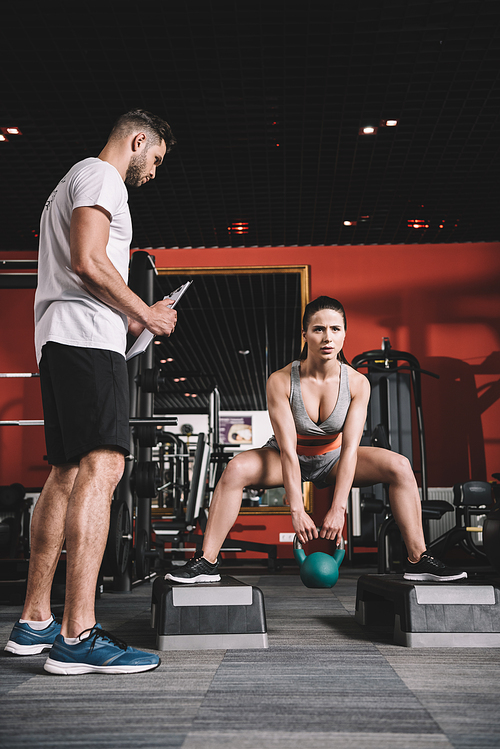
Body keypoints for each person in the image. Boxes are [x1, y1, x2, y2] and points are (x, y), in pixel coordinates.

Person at [5, 110, 178, 674]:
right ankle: (79, 634)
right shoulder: (102, 177)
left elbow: (80, 270)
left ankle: (35, 621)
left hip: (63, 339)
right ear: (137, 140)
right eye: (155, 159)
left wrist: (126, 320)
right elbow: (87, 262)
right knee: (103, 468)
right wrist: (146, 313)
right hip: (82, 343)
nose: (153, 172)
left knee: (66, 472)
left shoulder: (71, 183)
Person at [166, 296, 467, 585]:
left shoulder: (357, 383)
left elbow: (350, 449)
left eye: (335, 329)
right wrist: (296, 509)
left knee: (399, 466)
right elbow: (286, 451)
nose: (327, 337)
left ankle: (418, 558)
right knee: (235, 469)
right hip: (288, 455)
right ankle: (207, 562)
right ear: (305, 334)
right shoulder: (281, 380)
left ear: (344, 334)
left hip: (335, 459)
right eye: (319, 329)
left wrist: (339, 509)